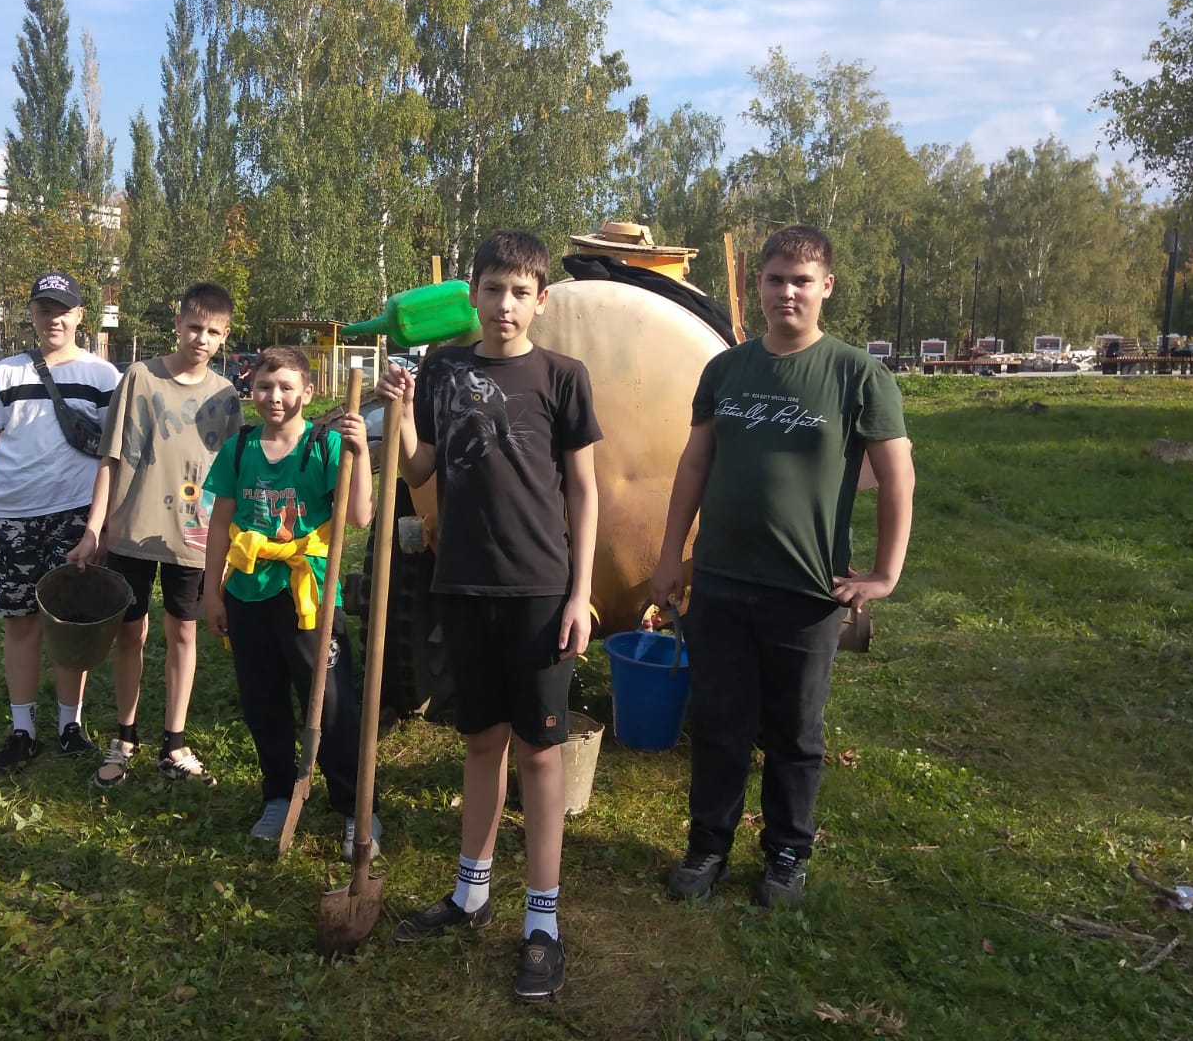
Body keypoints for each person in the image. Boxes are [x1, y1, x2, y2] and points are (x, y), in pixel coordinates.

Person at [648, 224, 915, 908]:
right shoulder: (726, 370)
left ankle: (787, 855)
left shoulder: (858, 375)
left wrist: (885, 574)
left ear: (826, 287)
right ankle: (708, 847)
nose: (787, 292)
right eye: (775, 279)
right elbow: (695, 464)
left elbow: (897, 475)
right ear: (757, 286)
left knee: (795, 732)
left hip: (807, 589)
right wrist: (669, 555)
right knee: (718, 723)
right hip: (722, 581)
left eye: (802, 280)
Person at [376, 230, 601, 1003]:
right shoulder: (444, 369)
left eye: (518, 292)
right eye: (491, 289)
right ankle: (471, 891)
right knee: (480, 742)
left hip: (539, 589)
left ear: (540, 300)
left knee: (540, 756)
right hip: (462, 585)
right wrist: (403, 414)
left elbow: (584, 492)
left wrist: (579, 592)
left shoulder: (563, 378)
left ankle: (543, 920)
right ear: (470, 294)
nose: (503, 305)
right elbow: (417, 469)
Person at [66, 283, 243, 790]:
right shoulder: (140, 378)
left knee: (183, 632)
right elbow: (110, 458)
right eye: (194, 327)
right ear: (177, 323)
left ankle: (174, 741)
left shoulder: (225, 396)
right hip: (131, 535)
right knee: (131, 632)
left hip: (195, 537)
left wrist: (228, 542)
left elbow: (231, 477)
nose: (201, 339)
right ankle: (123, 737)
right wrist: (94, 529)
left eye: (212, 332)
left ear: (224, 335)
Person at [200, 346, 376, 856]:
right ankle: (277, 794)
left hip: (311, 596)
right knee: (262, 700)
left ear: (307, 392)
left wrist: (360, 453)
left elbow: (359, 516)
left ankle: (354, 809)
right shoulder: (239, 449)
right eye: (263, 387)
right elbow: (219, 525)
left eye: (285, 387)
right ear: (249, 390)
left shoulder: (322, 447)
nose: (274, 397)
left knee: (333, 703)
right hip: (248, 592)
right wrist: (214, 593)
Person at [0, 271, 121, 771]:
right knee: (21, 624)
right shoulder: (4, 374)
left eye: (62, 309)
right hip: (12, 518)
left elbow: (112, 460)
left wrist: (100, 526)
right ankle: (22, 729)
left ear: (79, 316)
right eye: (43, 309)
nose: (53, 318)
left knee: (73, 623)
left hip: (75, 516)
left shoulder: (103, 377)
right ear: (30, 314)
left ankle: (69, 725)